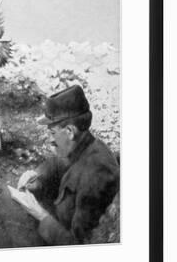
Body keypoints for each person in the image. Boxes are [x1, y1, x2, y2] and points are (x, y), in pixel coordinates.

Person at [8, 85, 119, 245]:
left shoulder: (96, 176)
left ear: (69, 131)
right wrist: (37, 175)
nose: (50, 139)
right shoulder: (82, 145)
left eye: (52, 133)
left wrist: (39, 214)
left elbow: (78, 245)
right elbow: (58, 163)